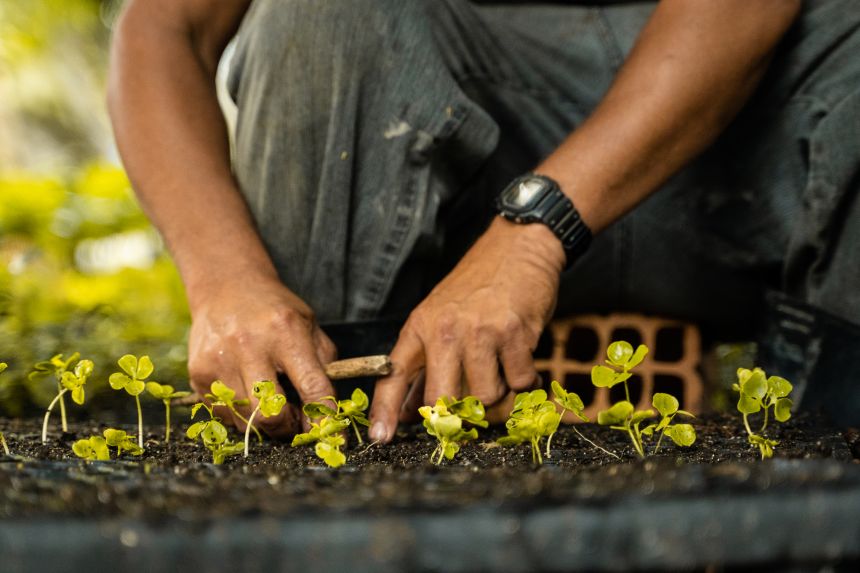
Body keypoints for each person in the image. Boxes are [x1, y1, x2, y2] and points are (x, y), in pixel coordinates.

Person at [108, 0, 860, 437]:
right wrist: (224, 279)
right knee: (320, 14)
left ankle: (830, 465)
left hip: (740, 150)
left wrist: (536, 230)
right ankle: (344, 462)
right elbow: (162, 29)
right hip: (445, 169)